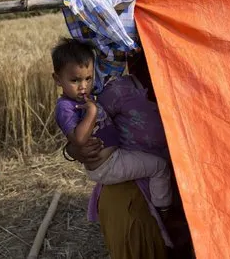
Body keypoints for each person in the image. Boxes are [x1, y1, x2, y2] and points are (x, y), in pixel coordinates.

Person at [51, 38, 172, 213]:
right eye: (75, 80)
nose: (83, 87)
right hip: (108, 164)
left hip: (115, 157)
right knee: (159, 167)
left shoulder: (87, 97)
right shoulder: (65, 107)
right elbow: (78, 139)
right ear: (57, 79)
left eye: (88, 79)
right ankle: (164, 210)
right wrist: (92, 112)